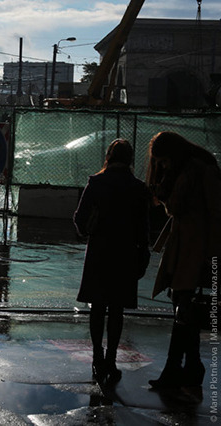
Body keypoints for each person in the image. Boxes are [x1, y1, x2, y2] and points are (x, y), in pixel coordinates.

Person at [146, 131, 221, 389]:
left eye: (164, 161)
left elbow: (209, 211)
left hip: (192, 248)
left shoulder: (195, 171)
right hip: (190, 246)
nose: (163, 166)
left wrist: (211, 256)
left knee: (182, 309)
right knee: (183, 309)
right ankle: (188, 366)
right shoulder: (199, 168)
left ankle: (177, 368)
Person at [74, 139, 150, 386]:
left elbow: (80, 218)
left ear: (108, 156)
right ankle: (111, 359)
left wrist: (90, 229)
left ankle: (97, 357)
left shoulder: (96, 182)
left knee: (97, 307)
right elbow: (143, 228)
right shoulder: (138, 188)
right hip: (125, 254)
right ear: (130, 159)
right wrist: (143, 254)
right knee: (117, 308)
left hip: (99, 252)